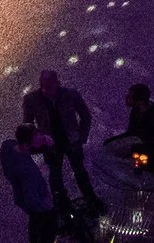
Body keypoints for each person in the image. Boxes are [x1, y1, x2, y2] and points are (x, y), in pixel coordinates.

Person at [23, 68, 99, 214]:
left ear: (57, 82)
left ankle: (89, 198)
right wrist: (37, 142)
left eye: (50, 86)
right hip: (51, 145)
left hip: (71, 142)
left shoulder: (70, 94)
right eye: (45, 87)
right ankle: (62, 204)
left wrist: (81, 137)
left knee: (78, 171)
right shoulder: (32, 99)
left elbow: (86, 116)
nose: (48, 91)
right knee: (56, 175)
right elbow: (28, 125)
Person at [109, 81, 154, 187]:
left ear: (140, 100)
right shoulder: (136, 111)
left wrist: (133, 148)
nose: (126, 98)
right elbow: (132, 132)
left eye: (130, 96)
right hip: (146, 150)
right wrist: (112, 141)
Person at [0, 122, 58, 243]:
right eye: (36, 139)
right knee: (46, 230)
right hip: (39, 204)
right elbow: (32, 198)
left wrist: (41, 142)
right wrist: (48, 208)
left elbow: (22, 148)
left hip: (23, 198)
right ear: (26, 145)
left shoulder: (8, 148)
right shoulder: (27, 172)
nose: (40, 139)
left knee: (35, 229)